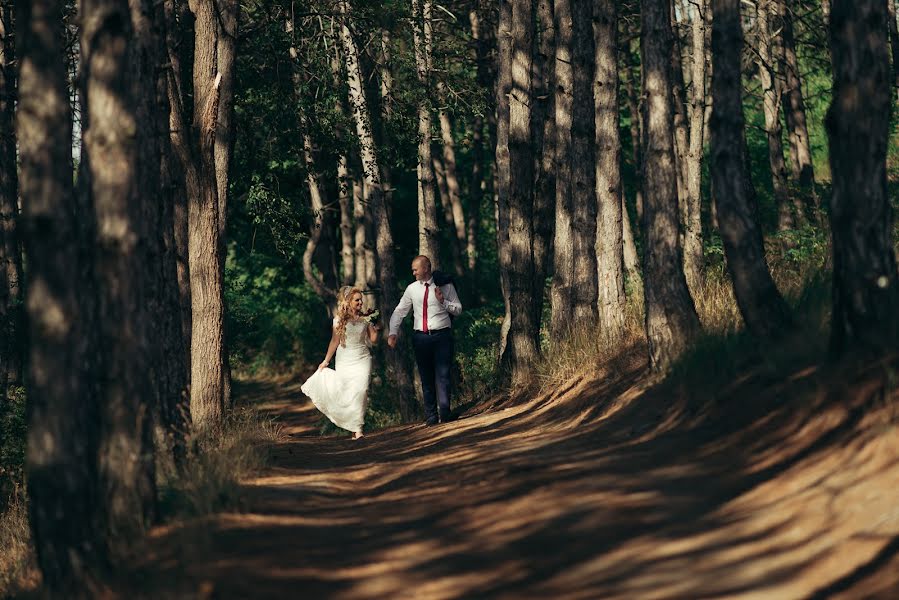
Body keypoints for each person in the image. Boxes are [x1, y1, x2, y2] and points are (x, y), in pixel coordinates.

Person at [388, 255, 462, 426]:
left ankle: (445, 412)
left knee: (443, 375)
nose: (413, 272)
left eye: (416, 269)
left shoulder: (445, 286)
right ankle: (431, 416)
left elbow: (458, 309)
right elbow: (400, 311)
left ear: (426, 268)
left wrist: (443, 302)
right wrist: (393, 332)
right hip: (421, 338)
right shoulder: (412, 289)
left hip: (442, 335)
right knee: (426, 377)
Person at [301, 286, 380, 439]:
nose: (360, 303)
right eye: (357, 300)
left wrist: (377, 326)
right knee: (348, 392)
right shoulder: (339, 320)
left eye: (361, 300)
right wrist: (326, 361)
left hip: (363, 358)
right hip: (344, 359)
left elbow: (374, 340)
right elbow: (334, 341)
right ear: (348, 302)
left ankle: (358, 429)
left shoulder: (366, 318)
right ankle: (353, 426)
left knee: (362, 390)